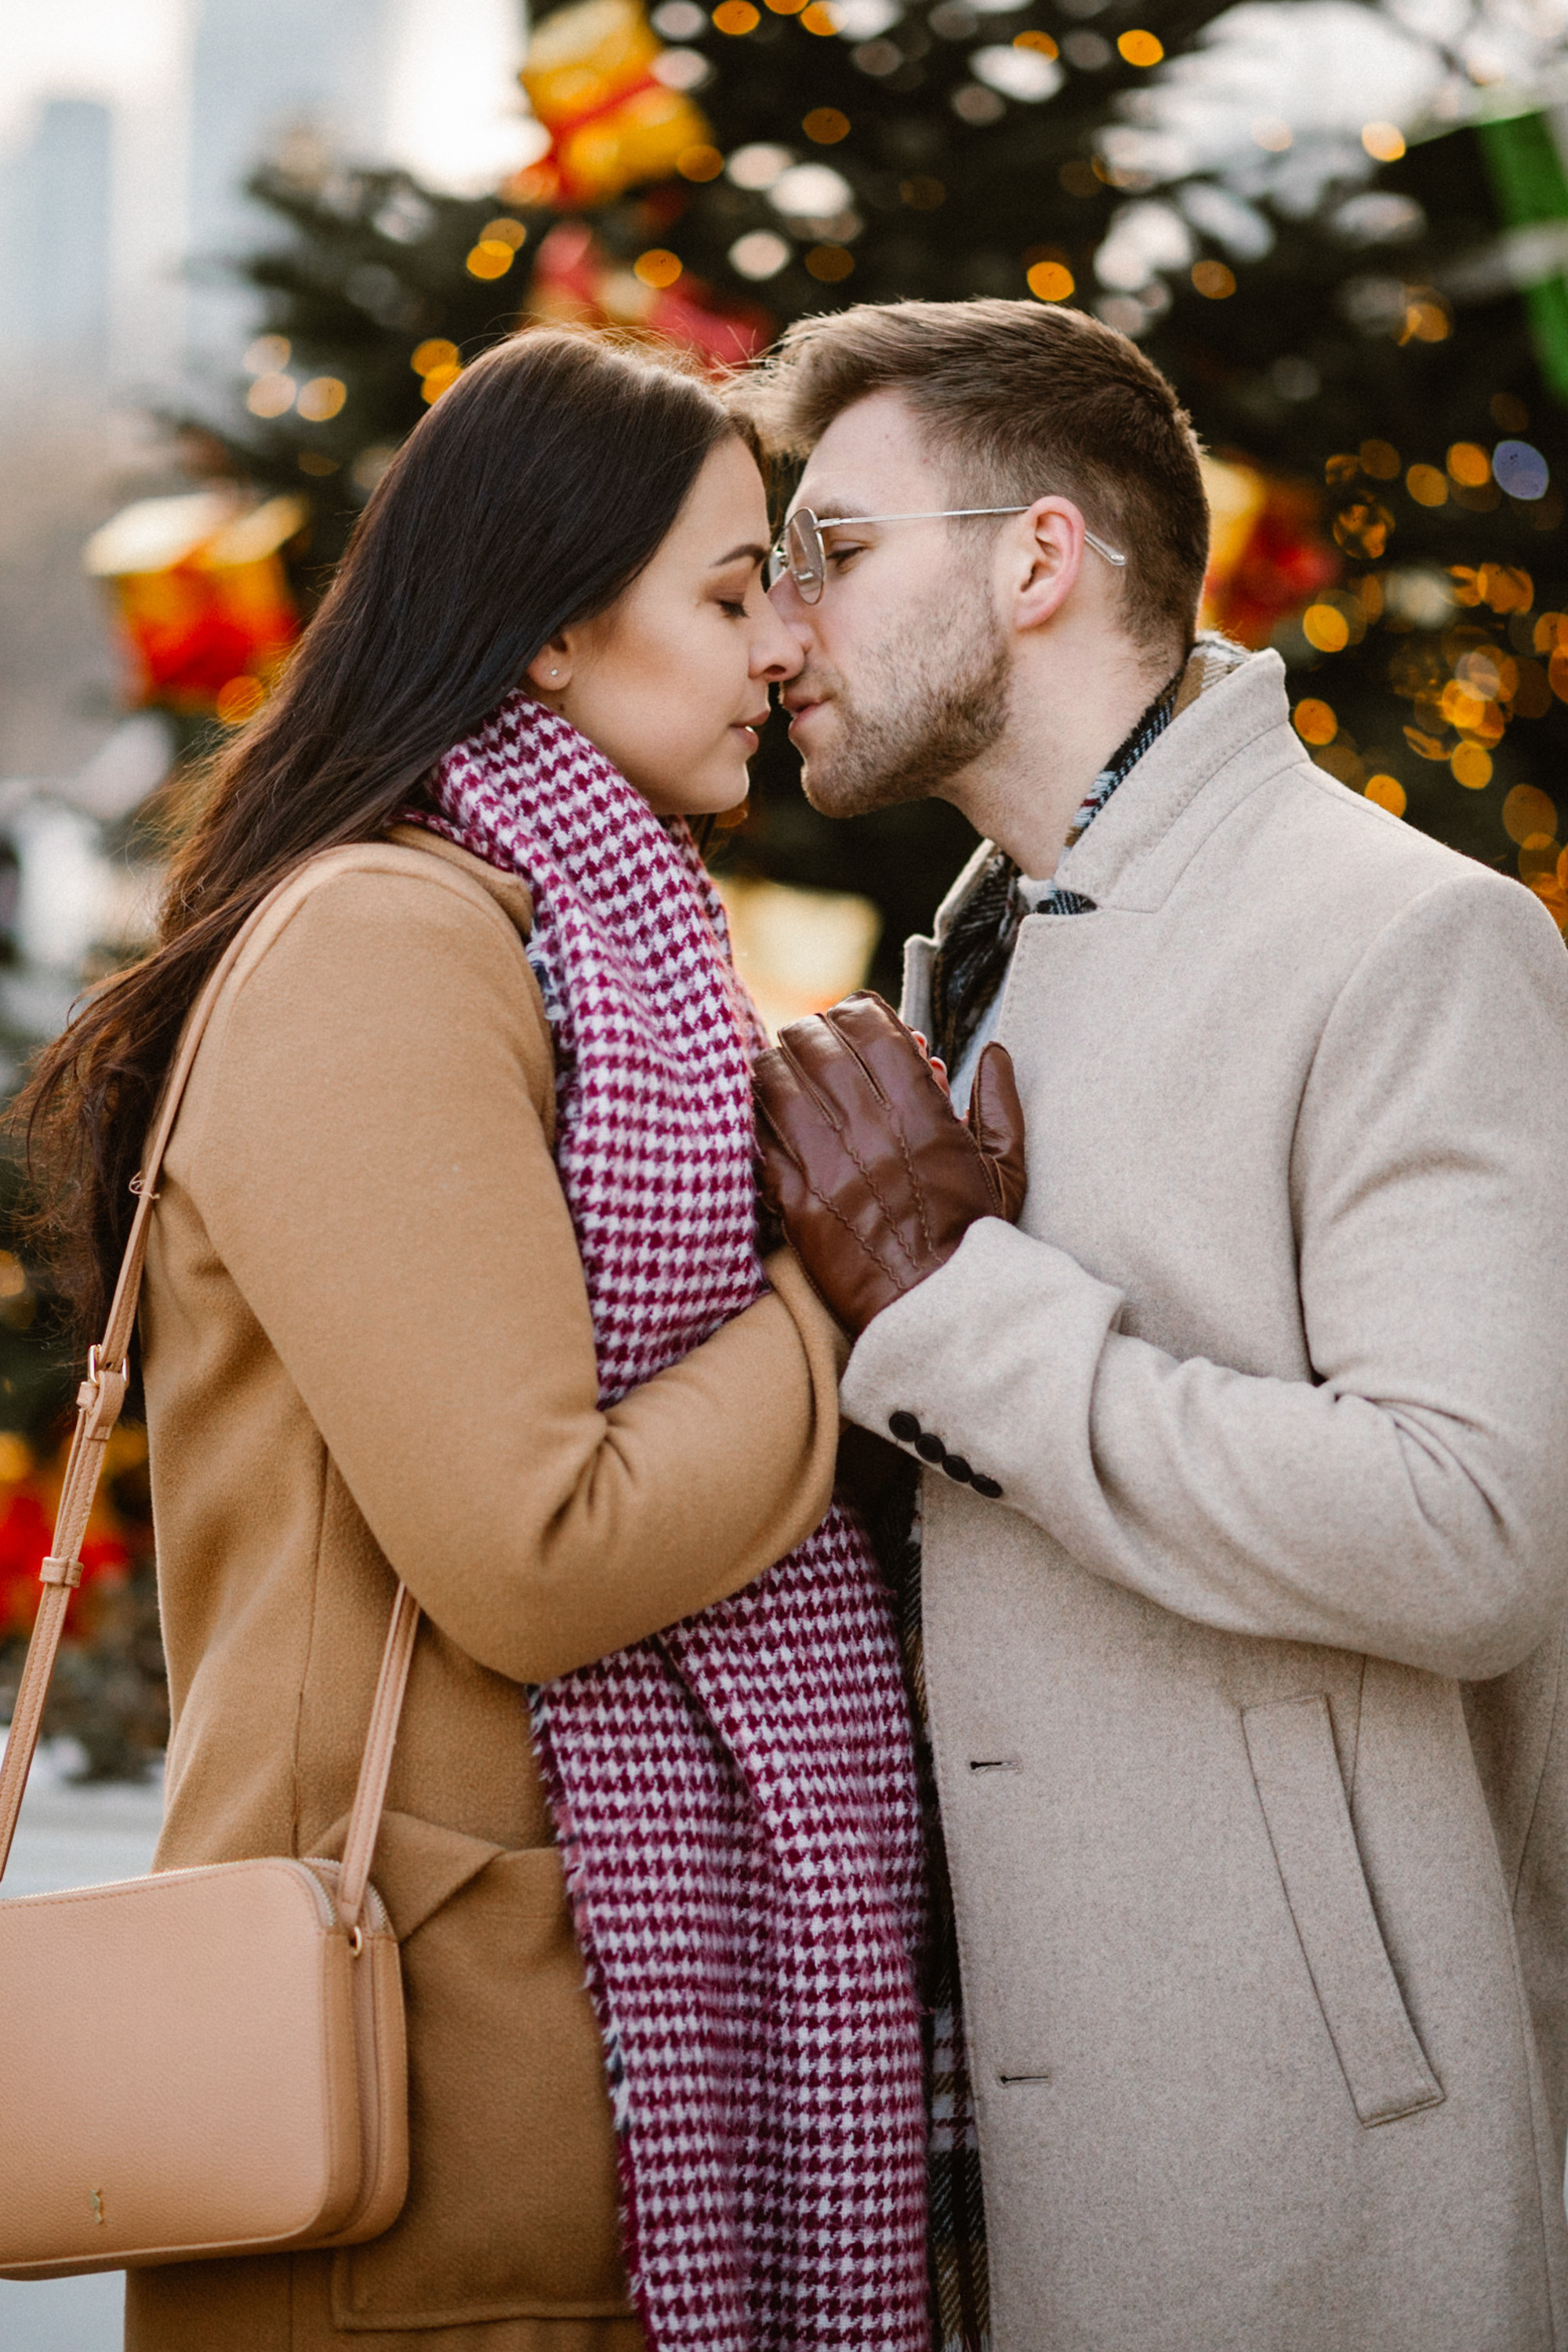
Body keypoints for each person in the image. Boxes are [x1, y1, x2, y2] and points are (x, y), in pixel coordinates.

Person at [18, 328, 948, 2352]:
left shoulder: (600, 956)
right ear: (544, 633)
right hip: (417, 2155)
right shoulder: (384, 945)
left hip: (554, 2109)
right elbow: (535, 1546)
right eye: (725, 595)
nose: (787, 641)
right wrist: (844, 1289)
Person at [742, 296, 1568, 2352]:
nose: (778, 631)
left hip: (1304, 2149)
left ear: (1037, 559)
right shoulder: (969, 958)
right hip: (982, 2137)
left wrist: (952, 1303)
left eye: (829, 554)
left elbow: (1472, 1533)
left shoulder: (1410, 937)